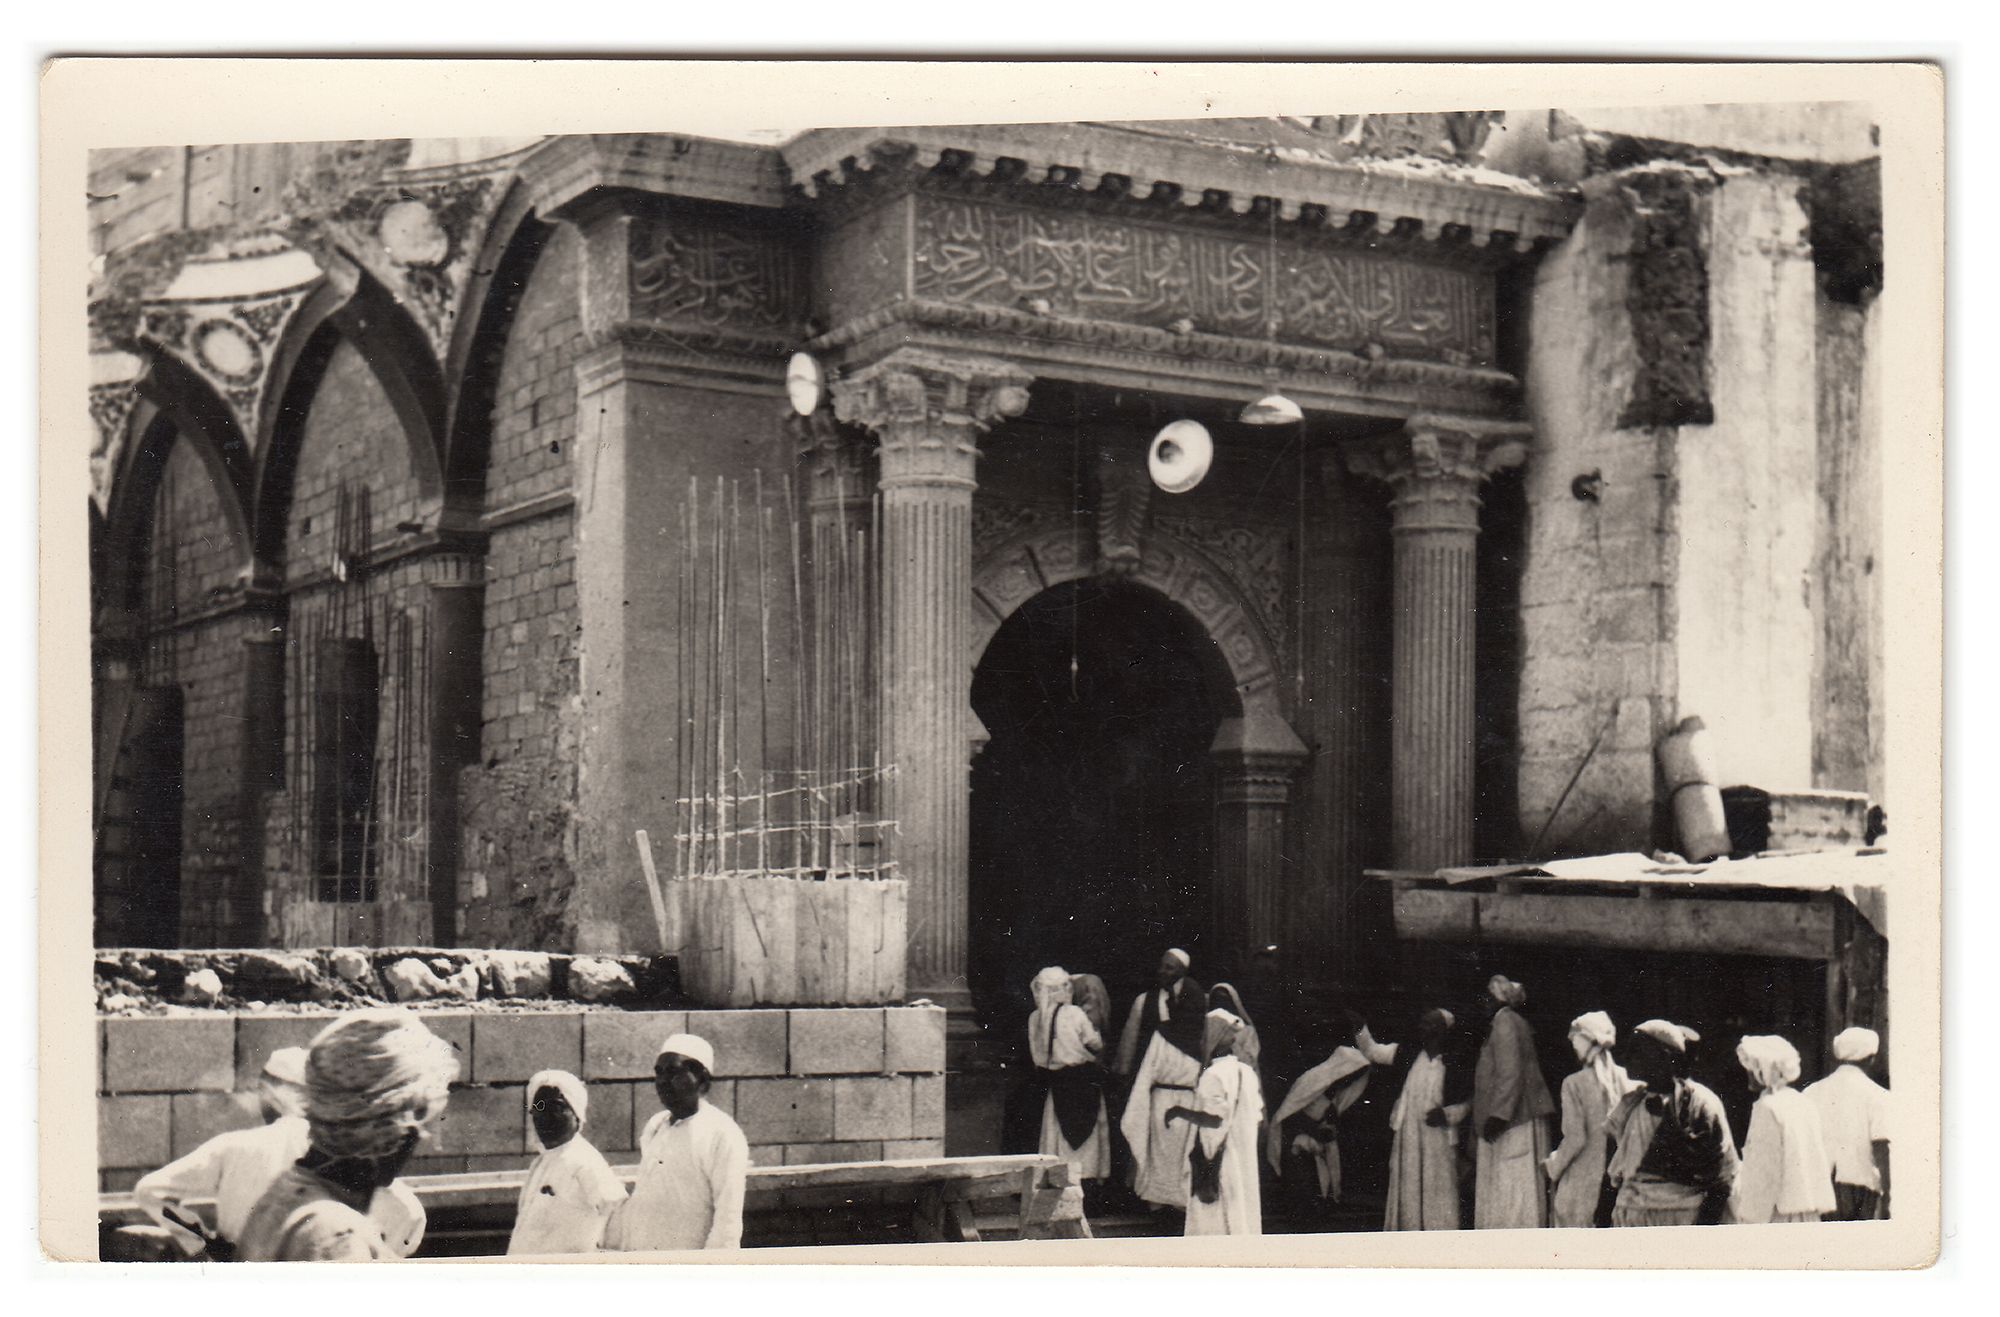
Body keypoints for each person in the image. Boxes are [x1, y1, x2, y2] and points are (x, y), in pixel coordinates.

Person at [134, 1046, 427, 1260]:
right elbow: (410, 1213)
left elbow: (150, 1191)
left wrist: (200, 1242)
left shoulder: (234, 1145)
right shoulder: (336, 1149)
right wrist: (382, 1248)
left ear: (267, 1094)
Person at [235, 1010, 459, 1261]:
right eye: (416, 1123)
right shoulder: (336, 1235)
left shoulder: (287, 1191)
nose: (421, 1138)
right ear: (386, 1129)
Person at [607, 1032, 749, 1251]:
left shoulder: (722, 1133)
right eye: (659, 1072)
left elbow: (727, 1222)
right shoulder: (656, 1126)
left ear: (702, 1080)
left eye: (673, 1072)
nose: (662, 1081)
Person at [1602, 1020, 1739, 1227]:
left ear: (1664, 1056)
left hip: (1682, 1218)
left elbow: (1723, 1176)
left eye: (1638, 1051)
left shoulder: (1700, 1103)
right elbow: (1613, 1172)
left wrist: (1705, 1229)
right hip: (1632, 1217)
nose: (1627, 1057)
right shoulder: (1630, 1104)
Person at [1357, 1007, 1470, 1231]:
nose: (1421, 1027)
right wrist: (1360, 1027)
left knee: (1439, 1190)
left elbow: (1470, 1101)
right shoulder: (1407, 1054)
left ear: (1442, 1030)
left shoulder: (1455, 1063)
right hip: (1409, 1138)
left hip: (1439, 1140)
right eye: (1422, 1022)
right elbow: (1372, 1051)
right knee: (1410, 1186)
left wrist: (1448, 1114)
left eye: (1428, 1024)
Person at [1116, 949, 1208, 1211]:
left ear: (1182, 971)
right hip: (1152, 1078)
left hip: (1185, 1087)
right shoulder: (1144, 1001)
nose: (1163, 972)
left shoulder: (1196, 999)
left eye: (1170, 968)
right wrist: (1125, 1071)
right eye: (1162, 966)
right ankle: (1154, 1202)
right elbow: (1131, 1039)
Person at [508, 1069, 628, 1255]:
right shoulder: (540, 1164)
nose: (545, 1115)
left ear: (576, 1113)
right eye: (539, 1107)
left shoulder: (584, 1160)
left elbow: (617, 1212)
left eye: (556, 1107)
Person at [1167, 1008, 1264, 1236]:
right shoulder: (1247, 1072)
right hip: (1242, 1157)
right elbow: (1257, 1116)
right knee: (1240, 1213)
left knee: (1214, 1218)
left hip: (1218, 1157)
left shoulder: (1213, 1075)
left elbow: (1214, 1120)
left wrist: (1179, 1111)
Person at [1469, 975, 1557, 1229]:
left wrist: (1499, 1115)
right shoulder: (1512, 1021)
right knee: (1517, 1187)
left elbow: (1510, 1072)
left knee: (1512, 1189)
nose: (1482, 1002)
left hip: (1514, 1121)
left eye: (1487, 997)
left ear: (1497, 1000)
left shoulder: (1504, 1022)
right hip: (1519, 1117)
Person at [1542, 1011, 1634, 1228]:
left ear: (1584, 1041)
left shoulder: (1573, 1083)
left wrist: (1552, 1166)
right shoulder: (1627, 1079)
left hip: (1583, 1182)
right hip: (1617, 1182)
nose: (1573, 1043)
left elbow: (1575, 1138)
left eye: (1575, 1038)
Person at [1731, 1035, 1836, 1224]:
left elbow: (1766, 1172)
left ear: (1764, 1070)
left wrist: (1751, 1218)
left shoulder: (1767, 1107)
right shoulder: (1803, 1102)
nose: (1748, 1074)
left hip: (1777, 1214)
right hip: (1808, 1213)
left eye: (1752, 1068)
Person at [1265, 1036, 1371, 1219]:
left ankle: (1325, 1202)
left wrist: (1327, 1129)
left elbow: (1331, 1115)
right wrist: (1314, 1130)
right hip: (1297, 1140)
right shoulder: (1312, 1081)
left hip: (1319, 1140)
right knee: (1304, 1184)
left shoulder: (1336, 1092)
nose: (1350, 1080)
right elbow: (1289, 1115)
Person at [1027, 967, 1111, 1184]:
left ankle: (1058, 1178)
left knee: (1056, 1132)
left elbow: (1037, 1055)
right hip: (1082, 1081)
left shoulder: (1035, 1018)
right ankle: (1086, 1179)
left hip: (1056, 1083)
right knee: (1088, 1134)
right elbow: (1095, 1043)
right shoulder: (1074, 1013)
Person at [1805, 1026, 1891, 1221]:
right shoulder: (1878, 1095)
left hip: (1818, 1187)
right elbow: (1881, 1146)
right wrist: (1888, 1194)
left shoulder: (1811, 1092)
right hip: (1860, 1187)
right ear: (1871, 1058)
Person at [1208, 983, 1263, 1077]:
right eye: (1217, 1000)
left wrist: (1230, 1042)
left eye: (1224, 1000)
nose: (1221, 1005)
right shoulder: (1206, 1028)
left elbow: (1250, 1062)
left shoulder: (1247, 1031)